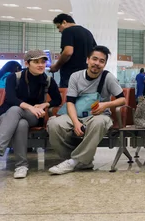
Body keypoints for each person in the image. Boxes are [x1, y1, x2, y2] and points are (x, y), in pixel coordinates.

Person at [47, 46, 125, 175]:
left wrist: (105, 105)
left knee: (99, 123)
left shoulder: (108, 78)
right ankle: (81, 160)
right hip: (75, 113)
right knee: (54, 124)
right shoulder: (76, 77)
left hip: (98, 115)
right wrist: (76, 122)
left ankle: (73, 162)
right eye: (94, 59)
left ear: (104, 64)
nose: (97, 63)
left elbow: (122, 100)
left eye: (101, 61)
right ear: (87, 60)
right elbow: (70, 102)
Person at [0, 50, 61, 179]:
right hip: (5, 116)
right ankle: (21, 166)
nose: (41, 65)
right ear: (26, 63)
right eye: (36, 62)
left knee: (18, 113)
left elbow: (57, 99)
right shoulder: (14, 77)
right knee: (20, 121)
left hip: (32, 117)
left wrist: (44, 105)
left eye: (43, 61)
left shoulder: (48, 80)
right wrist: (31, 107)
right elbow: (11, 99)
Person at [50, 13, 96, 88]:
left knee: (69, 98)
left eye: (59, 27)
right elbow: (94, 52)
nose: (59, 30)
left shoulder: (67, 31)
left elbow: (68, 52)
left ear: (64, 22)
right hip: (86, 75)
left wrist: (56, 66)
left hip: (71, 75)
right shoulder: (88, 32)